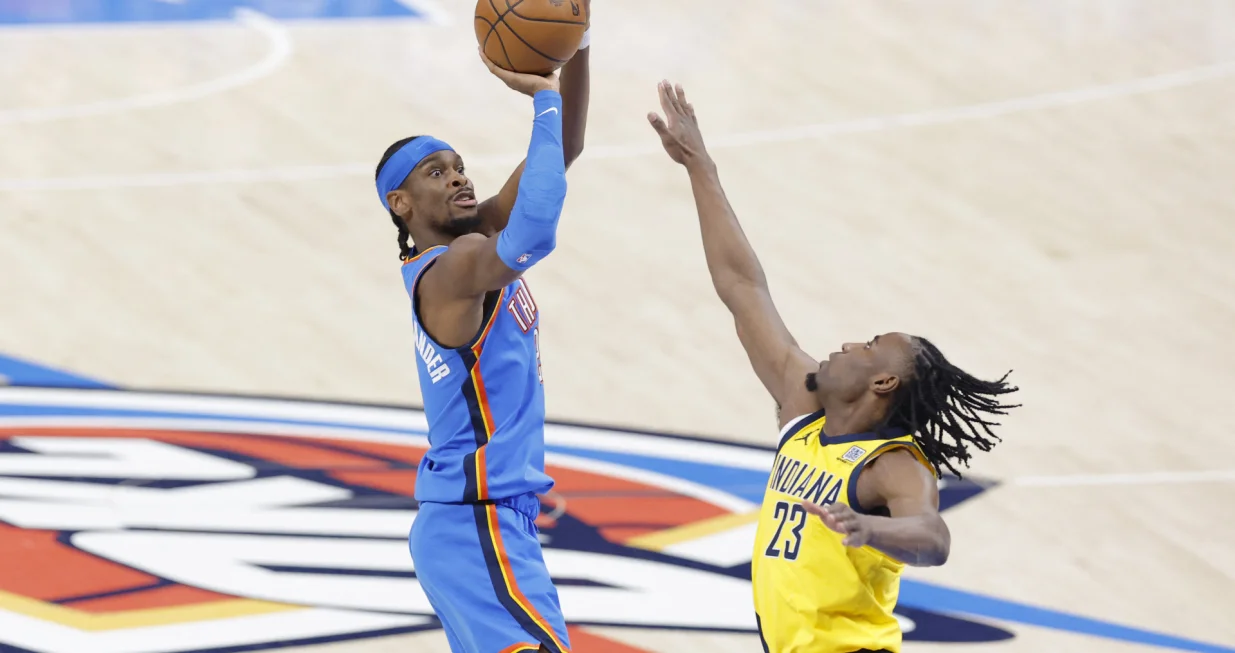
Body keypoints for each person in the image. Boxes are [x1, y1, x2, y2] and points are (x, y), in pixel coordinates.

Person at [647, 80, 1020, 653]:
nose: (848, 344)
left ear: (884, 382)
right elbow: (743, 287)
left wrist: (870, 528)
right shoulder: (804, 411)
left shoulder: (892, 465)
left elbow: (933, 538)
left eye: (869, 344)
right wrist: (701, 167)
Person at [375, 29, 592, 653]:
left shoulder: (472, 243)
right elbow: (538, 231)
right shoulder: (450, 271)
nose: (459, 178)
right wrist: (542, 98)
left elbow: (566, 145)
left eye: (460, 166)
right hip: (477, 519)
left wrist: (577, 42)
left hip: (483, 521)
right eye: (436, 173)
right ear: (402, 203)